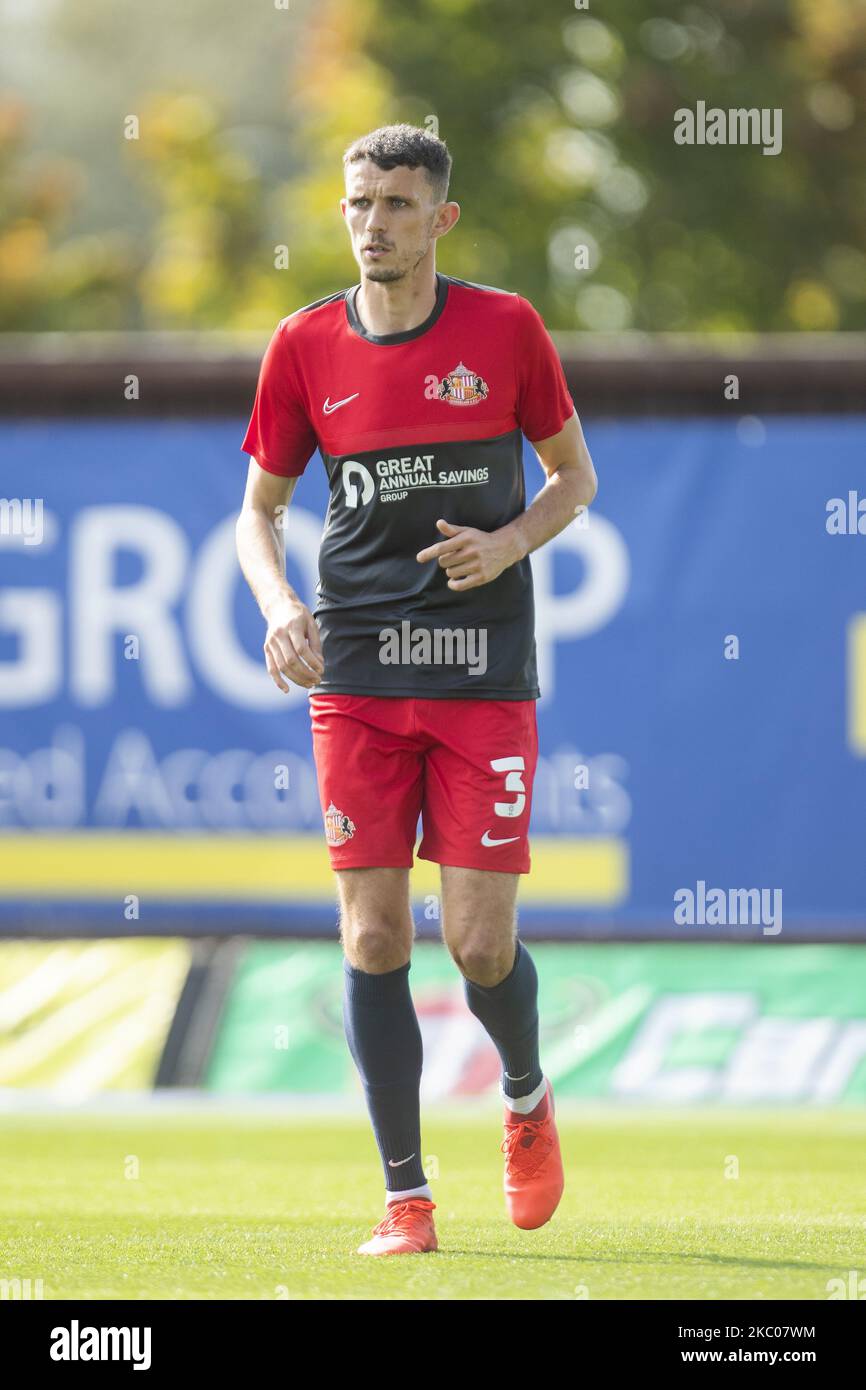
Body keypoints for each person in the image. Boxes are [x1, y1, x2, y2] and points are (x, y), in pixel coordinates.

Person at [235, 123, 598, 1256]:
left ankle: (526, 1096)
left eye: (397, 203)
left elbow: (573, 478)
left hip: (481, 670)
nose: (374, 223)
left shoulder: (504, 328)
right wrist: (279, 607)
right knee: (375, 932)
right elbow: (258, 513)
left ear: (439, 219)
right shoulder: (302, 344)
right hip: (356, 668)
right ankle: (406, 1200)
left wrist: (509, 545)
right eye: (358, 203)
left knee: (478, 945)